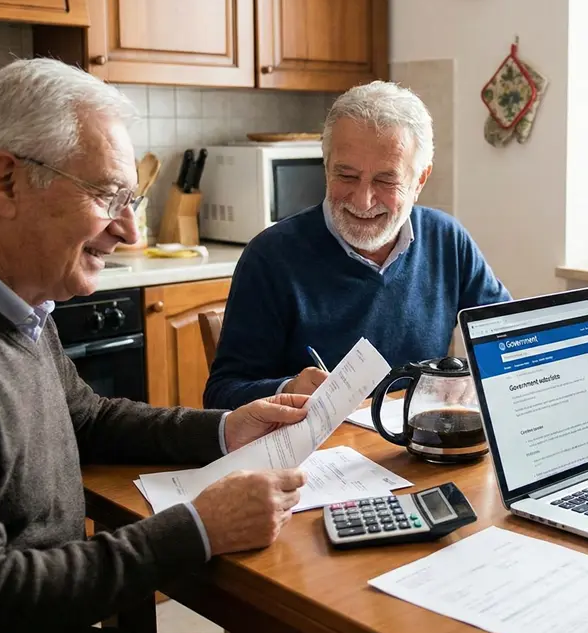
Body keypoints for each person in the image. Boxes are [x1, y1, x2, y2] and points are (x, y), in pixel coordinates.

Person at [0, 59, 311, 633]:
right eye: (110, 196)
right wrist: (197, 527)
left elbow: (85, 419)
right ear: (6, 182)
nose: (130, 231)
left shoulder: (13, 297)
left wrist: (225, 429)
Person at [204, 82, 510, 408]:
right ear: (326, 167)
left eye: (385, 180)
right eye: (346, 176)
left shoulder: (447, 239)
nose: (363, 200)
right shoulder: (269, 257)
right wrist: (288, 388)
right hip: (317, 454)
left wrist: (472, 374)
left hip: (417, 445)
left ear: (419, 180)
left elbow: (508, 338)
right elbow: (221, 395)